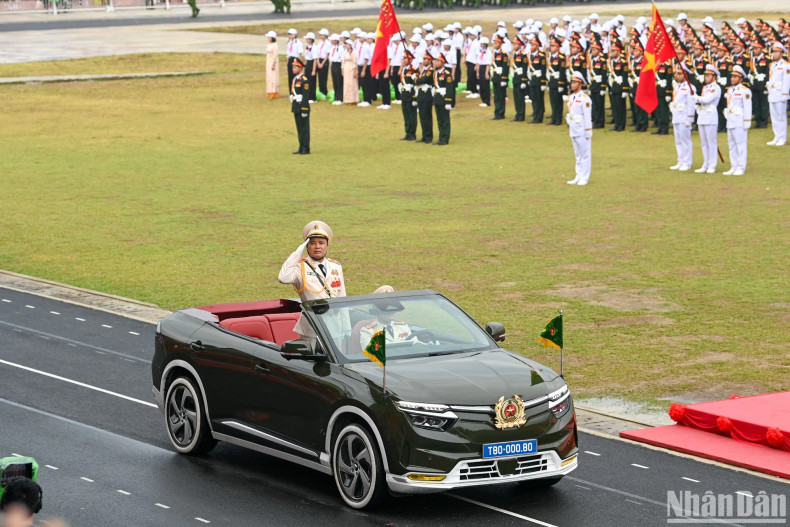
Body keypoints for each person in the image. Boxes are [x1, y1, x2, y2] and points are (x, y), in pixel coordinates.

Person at [278, 221, 346, 338]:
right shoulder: (300, 267)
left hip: (334, 326)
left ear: (327, 245)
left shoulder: (335, 267)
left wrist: (346, 328)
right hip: (312, 327)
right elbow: (283, 278)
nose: (317, 246)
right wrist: (297, 253)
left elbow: (342, 298)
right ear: (307, 246)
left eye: (321, 243)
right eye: (312, 243)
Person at [723, 66, 752, 176]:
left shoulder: (745, 91)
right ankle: (733, 166)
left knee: (740, 145)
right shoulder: (730, 90)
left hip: (740, 120)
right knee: (732, 146)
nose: (732, 79)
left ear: (741, 79)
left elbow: (748, 107)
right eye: (732, 76)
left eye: (735, 77)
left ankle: (741, 167)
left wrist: (747, 122)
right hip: (731, 120)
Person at [693, 64, 722, 174]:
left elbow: (707, 100)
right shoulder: (705, 88)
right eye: (705, 75)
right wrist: (696, 101)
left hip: (710, 116)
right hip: (702, 115)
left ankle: (712, 165)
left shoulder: (716, 88)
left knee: (711, 142)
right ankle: (706, 163)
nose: (706, 77)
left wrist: (696, 97)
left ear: (714, 77)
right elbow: (701, 101)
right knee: (704, 142)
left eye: (709, 75)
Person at [566, 71, 593, 186]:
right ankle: (578, 175)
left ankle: (585, 177)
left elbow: (587, 116)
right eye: (572, 82)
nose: (572, 84)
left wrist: (588, 131)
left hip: (582, 129)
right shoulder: (571, 97)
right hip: (573, 128)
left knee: (585, 154)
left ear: (580, 84)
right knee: (577, 154)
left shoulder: (585, 98)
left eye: (575, 83)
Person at [669, 65, 695, 172]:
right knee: (678, 141)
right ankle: (680, 161)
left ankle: (687, 162)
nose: (676, 76)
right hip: (676, 115)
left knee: (685, 140)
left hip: (684, 116)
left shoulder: (690, 87)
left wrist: (690, 118)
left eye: (679, 74)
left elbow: (691, 104)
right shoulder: (677, 87)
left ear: (685, 75)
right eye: (676, 73)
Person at [767, 42, 790, 146]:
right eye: (774, 52)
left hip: (780, 94)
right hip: (772, 93)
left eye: (776, 52)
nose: (774, 54)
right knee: (774, 117)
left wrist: (785, 94)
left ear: (781, 53)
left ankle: (782, 138)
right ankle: (776, 137)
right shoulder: (772, 65)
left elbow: (787, 80)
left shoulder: (786, 65)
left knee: (781, 117)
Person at [289, 58, 310, 155]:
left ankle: (306, 147)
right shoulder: (295, 79)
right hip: (296, 106)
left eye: (295, 67)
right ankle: (301, 146)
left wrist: (304, 109)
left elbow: (305, 96)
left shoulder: (304, 80)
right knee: (299, 128)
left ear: (300, 68)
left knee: (304, 128)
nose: (293, 69)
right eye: (292, 67)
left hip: (302, 107)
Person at [432, 51, 454, 145]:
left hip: (444, 99)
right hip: (437, 99)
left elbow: (450, 88)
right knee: (439, 120)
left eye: (437, 61)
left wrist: (448, 101)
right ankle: (441, 137)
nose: (435, 62)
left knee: (445, 120)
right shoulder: (436, 73)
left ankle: (445, 138)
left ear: (442, 63)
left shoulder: (447, 74)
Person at [608, 39, 629, 131]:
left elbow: (625, 77)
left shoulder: (623, 62)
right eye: (611, 51)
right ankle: (616, 124)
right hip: (613, 87)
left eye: (613, 51)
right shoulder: (611, 62)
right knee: (615, 107)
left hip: (620, 87)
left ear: (618, 51)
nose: (612, 52)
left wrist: (625, 89)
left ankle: (621, 125)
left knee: (621, 108)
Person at [527, 35, 547, 124]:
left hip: (539, 81)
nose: (531, 47)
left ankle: (539, 117)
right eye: (531, 45)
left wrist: (543, 82)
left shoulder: (541, 56)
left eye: (533, 45)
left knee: (539, 99)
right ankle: (536, 115)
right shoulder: (531, 55)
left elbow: (543, 69)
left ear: (537, 45)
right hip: (533, 80)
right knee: (534, 99)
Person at [399, 50, 418, 141]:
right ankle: (407, 132)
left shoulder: (413, 70)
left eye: (405, 58)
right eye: (403, 58)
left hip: (411, 94)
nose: (403, 60)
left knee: (412, 115)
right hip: (404, 93)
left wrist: (414, 98)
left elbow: (415, 85)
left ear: (410, 59)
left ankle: (412, 133)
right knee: (406, 114)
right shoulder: (404, 69)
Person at [547, 37, 566, 126]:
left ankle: (558, 119)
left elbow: (562, 72)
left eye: (554, 46)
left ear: (558, 47)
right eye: (551, 46)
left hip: (558, 82)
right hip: (552, 82)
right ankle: (553, 118)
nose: (552, 48)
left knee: (558, 102)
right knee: (552, 101)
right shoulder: (551, 57)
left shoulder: (561, 57)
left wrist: (561, 84)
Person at [416, 51, 435, 144]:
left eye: (425, 59)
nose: (423, 61)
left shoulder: (430, 70)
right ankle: (424, 135)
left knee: (427, 116)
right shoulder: (423, 70)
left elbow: (423, 79)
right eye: (423, 59)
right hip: (421, 94)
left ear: (429, 60)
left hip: (427, 95)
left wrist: (416, 80)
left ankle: (428, 136)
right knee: (422, 116)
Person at [490, 35, 509, 120]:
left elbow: (505, 67)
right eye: (494, 42)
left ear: (500, 44)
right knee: (496, 96)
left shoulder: (503, 54)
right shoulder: (494, 53)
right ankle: (496, 112)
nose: (494, 44)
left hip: (501, 77)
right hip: (495, 77)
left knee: (501, 96)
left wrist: (504, 79)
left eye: (496, 43)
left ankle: (501, 113)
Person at [511, 35, 528, 122]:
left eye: (516, 44)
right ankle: (517, 114)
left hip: (521, 79)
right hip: (516, 78)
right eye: (513, 44)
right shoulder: (515, 55)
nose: (514, 46)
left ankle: (521, 115)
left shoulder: (523, 55)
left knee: (521, 98)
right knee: (516, 98)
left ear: (520, 45)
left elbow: (525, 69)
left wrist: (524, 81)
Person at [342, 40, 358, 105]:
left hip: (351, 69)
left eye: (347, 44)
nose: (346, 46)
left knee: (352, 84)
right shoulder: (345, 53)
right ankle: (347, 99)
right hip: (346, 69)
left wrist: (355, 71)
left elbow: (355, 62)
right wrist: (342, 70)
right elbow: (342, 62)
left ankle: (353, 99)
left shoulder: (354, 53)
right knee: (346, 84)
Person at [265, 31, 279, 100]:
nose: (268, 38)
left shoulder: (275, 45)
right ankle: (269, 91)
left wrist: (273, 64)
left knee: (273, 77)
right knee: (269, 77)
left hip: (273, 63)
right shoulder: (269, 44)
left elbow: (275, 55)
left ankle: (274, 92)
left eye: (269, 37)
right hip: (268, 62)